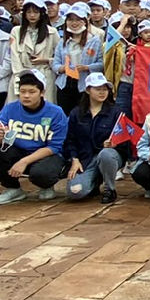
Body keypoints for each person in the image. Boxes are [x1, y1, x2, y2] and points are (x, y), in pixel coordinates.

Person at [0, 70, 67, 203]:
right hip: (17, 150)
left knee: (41, 174)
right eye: (22, 91)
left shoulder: (55, 112)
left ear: (42, 92)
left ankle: (46, 185)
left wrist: (24, 162)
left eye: (31, 92)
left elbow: (54, 147)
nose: (26, 96)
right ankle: (12, 188)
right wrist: (0, 136)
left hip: (45, 155)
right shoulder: (10, 109)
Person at [64, 72, 126, 205]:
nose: (102, 92)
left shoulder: (116, 112)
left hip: (109, 156)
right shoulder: (76, 113)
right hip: (85, 158)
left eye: (105, 89)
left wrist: (114, 144)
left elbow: (125, 141)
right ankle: (93, 182)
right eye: (98, 89)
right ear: (88, 90)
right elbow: (70, 139)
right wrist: (74, 159)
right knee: (75, 192)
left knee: (106, 155)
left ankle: (110, 188)